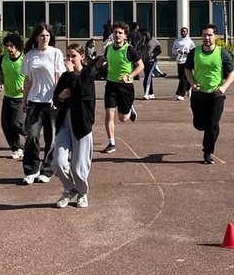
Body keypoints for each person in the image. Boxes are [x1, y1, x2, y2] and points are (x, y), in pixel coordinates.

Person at [51, 43, 97, 208]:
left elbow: (82, 93)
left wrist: (71, 72)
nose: (69, 60)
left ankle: (82, 193)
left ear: (82, 57)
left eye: (73, 56)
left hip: (82, 125)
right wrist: (61, 97)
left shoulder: (88, 73)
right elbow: (56, 99)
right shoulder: (65, 77)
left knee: (79, 167)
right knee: (58, 162)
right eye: (68, 56)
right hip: (65, 123)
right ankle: (69, 189)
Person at [184, 23, 234, 165]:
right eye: (204, 35)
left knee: (212, 124)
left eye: (210, 35)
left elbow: (232, 73)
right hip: (199, 95)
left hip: (216, 95)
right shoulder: (195, 52)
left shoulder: (222, 53)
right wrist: (192, 83)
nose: (207, 38)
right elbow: (187, 70)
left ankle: (207, 152)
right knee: (200, 125)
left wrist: (224, 87)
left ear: (215, 36)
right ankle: (204, 129)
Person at [19, 24, 65, 184]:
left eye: (47, 35)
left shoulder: (56, 53)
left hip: (51, 102)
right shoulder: (30, 55)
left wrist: (57, 98)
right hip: (34, 101)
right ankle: (31, 169)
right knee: (31, 135)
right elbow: (27, 80)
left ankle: (47, 170)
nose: (44, 38)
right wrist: (24, 100)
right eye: (41, 35)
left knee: (51, 138)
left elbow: (59, 77)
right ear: (36, 37)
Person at [98, 21, 144, 153]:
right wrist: (94, 66)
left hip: (125, 87)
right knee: (109, 114)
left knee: (123, 118)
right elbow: (104, 59)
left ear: (125, 36)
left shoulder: (129, 49)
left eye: (120, 33)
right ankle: (111, 143)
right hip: (111, 85)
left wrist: (130, 76)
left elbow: (141, 66)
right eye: (115, 32)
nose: (117, 35)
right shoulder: (109, 48)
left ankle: (130, 109)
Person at [0, 32, 26, 160]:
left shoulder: (24, 59)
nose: (9, 48)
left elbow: (31, 76)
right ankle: (17, 148)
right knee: (5, 124)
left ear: (17, 46)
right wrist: (0, 83)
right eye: (7, 46)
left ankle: (29, 134)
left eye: (11, 46)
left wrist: (26, 87)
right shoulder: (3, 59)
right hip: (8, 96)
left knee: (17, 124)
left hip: (20, 97)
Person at [171, 26, 195, 100]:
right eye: (182, 31)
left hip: (186, 60)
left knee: (183, 77)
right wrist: (178, 51)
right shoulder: (177, 41)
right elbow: (173, 50)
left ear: (187, 32)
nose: (183, 32)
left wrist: (188, 53)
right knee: (181, 76)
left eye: (184, 31)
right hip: (179, 60)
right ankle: (188, 87)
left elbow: (193, 49)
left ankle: (180, 93)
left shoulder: (189, 41)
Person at [141, 27, 163, 99]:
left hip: (152, 61)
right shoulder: (142, 41)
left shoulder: (154, 41)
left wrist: (153, 54)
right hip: (144, 61)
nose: (145, 36)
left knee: (148, 77)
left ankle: (146, 93)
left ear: (150, 33)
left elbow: (159, 50)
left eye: (146, 34)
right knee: (147, 77)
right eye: (143, 34)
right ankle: (151, 93)